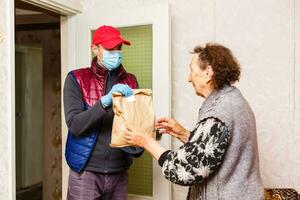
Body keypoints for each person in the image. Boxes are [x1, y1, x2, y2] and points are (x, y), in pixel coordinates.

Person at [125, 43, 264, 200]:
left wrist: (146, 141)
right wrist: (185, 134)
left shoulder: (219, 112)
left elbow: (185, 170)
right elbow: (215, 150)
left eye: (192, 70)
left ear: (208, 72)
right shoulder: (233, 99)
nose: (188, 78)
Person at [63, 25, 143, 200]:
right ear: (95, 48)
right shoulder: (76, 79)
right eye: (109, 49)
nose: (116, 53)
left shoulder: (130, 80)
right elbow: (75, 125)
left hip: (119, 171)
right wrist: (104, 103)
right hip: (86, 172)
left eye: (118, 48)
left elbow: (134, 122)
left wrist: (150, 129)